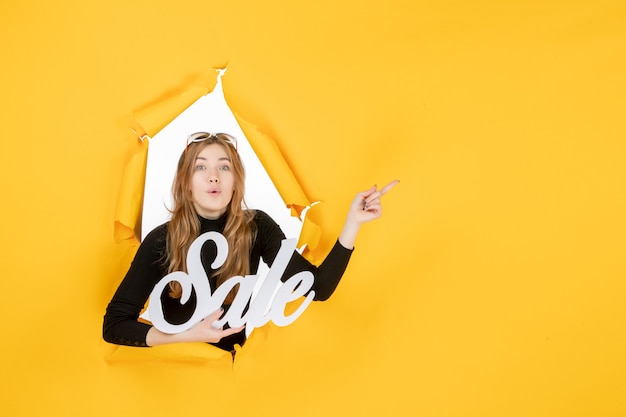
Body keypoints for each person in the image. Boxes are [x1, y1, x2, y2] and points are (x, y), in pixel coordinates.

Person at [103, 132, 398, 353]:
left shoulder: (257, 228)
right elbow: (114, 326)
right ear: (186, 183)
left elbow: (317, 288)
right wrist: (189, 335)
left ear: (236, 181)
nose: (214, 177)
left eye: (224, 167)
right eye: (201, 167)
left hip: (234, 385)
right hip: (176, 381)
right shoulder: (162, 239)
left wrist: (353, 223)